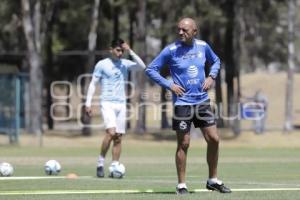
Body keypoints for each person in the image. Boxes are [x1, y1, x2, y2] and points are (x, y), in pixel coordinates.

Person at [145, 18, 231, 194]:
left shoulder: (203, 46)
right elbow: (151, 69)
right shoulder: (171, 50)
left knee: (214, 138)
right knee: (184, 143)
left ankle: (213, 180)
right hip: (182, 104)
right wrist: (169, 85)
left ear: (194, 31)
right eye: (179, 30)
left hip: (202, 101)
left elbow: (216, 61)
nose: (180, 33)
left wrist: (211, 76)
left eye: (184, 30)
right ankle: (181, 184)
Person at [85, 38, 146, 178]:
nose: (120, 53)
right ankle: (100, 163)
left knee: (118, 137)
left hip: (121, 104)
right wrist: (88, 103)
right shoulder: (102, 64)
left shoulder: (125, 63)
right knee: (111, 132)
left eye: (122, 51)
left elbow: (142, 66)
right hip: (107, 103)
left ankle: (114, 167)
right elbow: (93, 84)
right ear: (111, 50)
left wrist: (130, 51)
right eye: (118, 50)